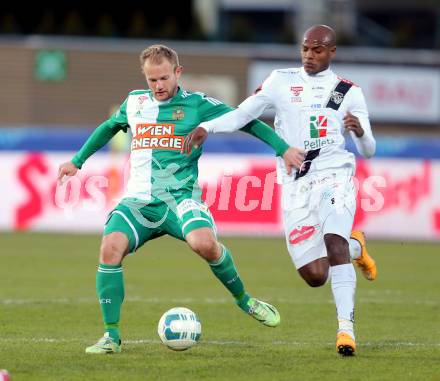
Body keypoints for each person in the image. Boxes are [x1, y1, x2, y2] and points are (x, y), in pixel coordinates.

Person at [57, 44, 305, 354]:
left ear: (178, 72)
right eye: (151, 80)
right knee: (109, 249)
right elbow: (109, 127)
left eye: (163, 78)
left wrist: (282, 148)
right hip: (139, 202)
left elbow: (247, 121)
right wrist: (77, 161)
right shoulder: (134, 103)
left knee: (204, 244)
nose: (158, 86)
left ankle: (245, 300)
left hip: (180, 197)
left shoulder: (198, 105)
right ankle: (112, 337)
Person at [184, 25, 377, 356]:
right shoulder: (280, 81)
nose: (309, 55)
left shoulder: (348, 92)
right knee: (315, 275)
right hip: (294, 181)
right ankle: (355, 247)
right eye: (305, 48)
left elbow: (369, 149)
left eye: (317, 50)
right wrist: (208, 127)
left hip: (334, 174)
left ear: (332, 52)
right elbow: (243, 114)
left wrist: (359, 133)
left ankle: (346, 330)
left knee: (333, 241)